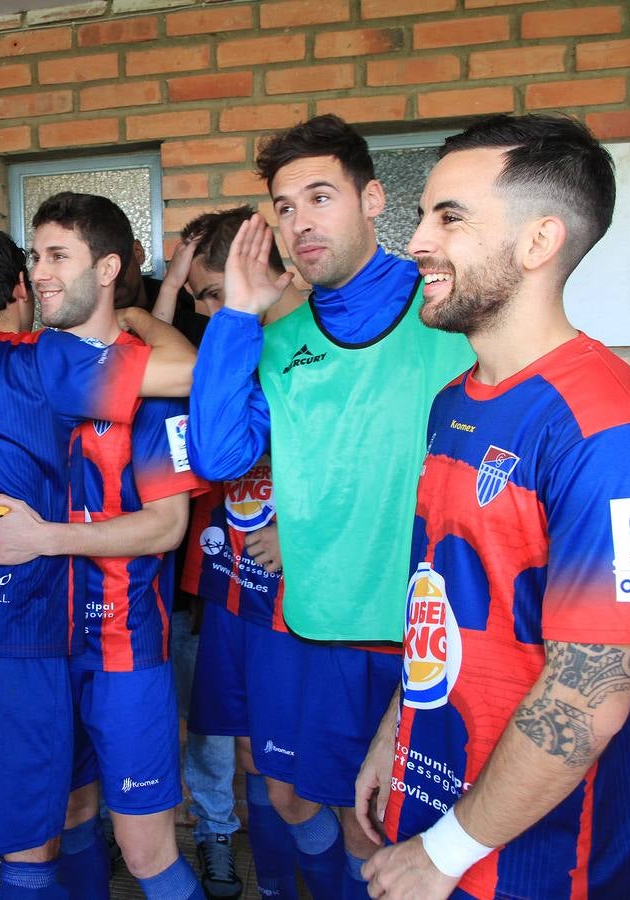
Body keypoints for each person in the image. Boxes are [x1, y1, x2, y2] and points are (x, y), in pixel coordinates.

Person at [356, 114, 630, 900]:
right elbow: (439, 601)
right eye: (420, 216)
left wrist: (441, 853)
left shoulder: (612, 436)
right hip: (441, 798)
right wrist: (397, 736)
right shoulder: (455, 401)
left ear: (539, 241)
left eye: (449, 217)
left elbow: (587, 700)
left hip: (543, 864)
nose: (415, 242)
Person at [188, 115, 476, 897]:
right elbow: (216, 457)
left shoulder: (445, 308)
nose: (299, 221)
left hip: (430, 630)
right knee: (336, 814)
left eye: (320, 196)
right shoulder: (278, 340)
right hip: (318, 625)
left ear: (373, 197)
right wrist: (238, 316)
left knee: (409, 832)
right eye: (283, 207)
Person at [0, 226, 194, 899]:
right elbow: (188, 372)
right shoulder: (37, 360)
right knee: (31, 845)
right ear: (20, 289)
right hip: (15, 634)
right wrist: (145, 313)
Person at [162, 206, 306, 900]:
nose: (214, 311)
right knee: (248, 748)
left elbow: (387, 473)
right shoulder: (227, 349)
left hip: (310, 598)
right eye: (202, 300)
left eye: (216, 293)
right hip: (228, 587)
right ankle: (272, 883)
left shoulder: (323, 348)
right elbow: (216, 456)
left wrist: (305, 535)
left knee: (302, 768)